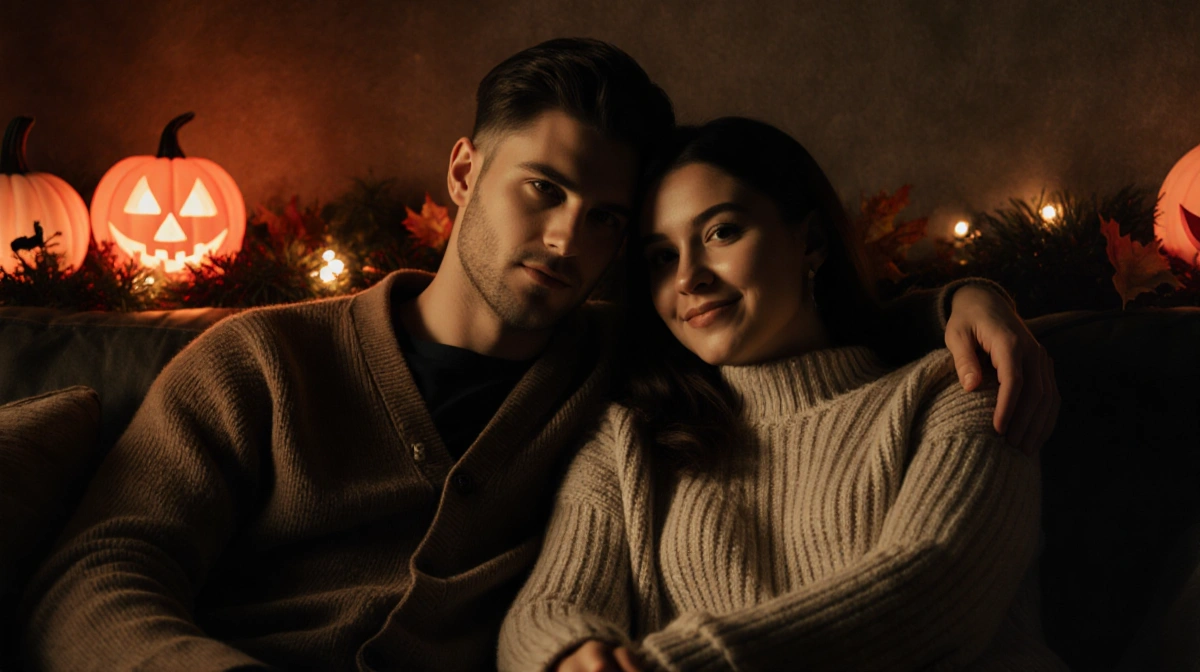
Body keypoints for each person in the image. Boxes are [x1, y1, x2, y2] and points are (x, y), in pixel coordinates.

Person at [23, 41, 1054, 671]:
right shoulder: (261, 360)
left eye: (607, 219)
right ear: (465, 168)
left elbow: (808, 352)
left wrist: (968, 297)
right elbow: (101, 571)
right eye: (544, 191)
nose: (569, 242)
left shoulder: (617, 378)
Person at [498, 118, 1066, 671]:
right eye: (662, 256)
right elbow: (548, 608)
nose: (688, 277)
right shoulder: (628, 442)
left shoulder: (957, 387)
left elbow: (934, 590)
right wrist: (570, 655)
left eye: (721, 232)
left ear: (811, 240)